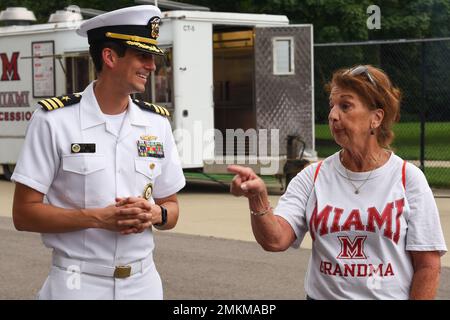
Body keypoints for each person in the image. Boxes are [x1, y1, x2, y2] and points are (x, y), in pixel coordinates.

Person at [11, 5, 185, 300]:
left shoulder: (156, 123)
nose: (152, 66)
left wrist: (156, 213)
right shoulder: (55, 120)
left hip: (143, 284)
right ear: (110, 57)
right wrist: (97, 218)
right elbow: (24, 214)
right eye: (143, 56)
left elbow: (171, 207)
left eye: (153, 57)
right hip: (77, 282)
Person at [228, 65, 447, 300]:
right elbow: (275, 240)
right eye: (332, 105)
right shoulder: (313, 177)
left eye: (345, 105)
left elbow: (428, 266)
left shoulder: (407, 179)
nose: (333, 115)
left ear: (376, 118)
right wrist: (258, 198)